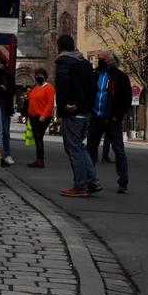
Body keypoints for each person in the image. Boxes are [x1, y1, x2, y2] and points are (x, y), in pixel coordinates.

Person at [54, 34, 100, 197]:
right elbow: (94, 86)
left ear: (59, 46)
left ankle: (80, 185)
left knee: (73, 148)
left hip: (73, 112)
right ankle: (92, 180)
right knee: (79, 147)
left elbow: (62, 84)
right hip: (86, 111)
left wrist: (64, 105)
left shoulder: (64, 62)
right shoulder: (85, 63)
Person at [87, 50, 132, 193]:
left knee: (118, 150)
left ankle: (123, 181)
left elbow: (126, 99)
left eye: (101, 58)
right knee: (90, 149)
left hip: (111, 119)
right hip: (96, 117)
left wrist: (116, 116)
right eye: (98, 58)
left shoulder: (120, 77)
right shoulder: (95, 75)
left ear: (110, 60)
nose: (98, 60)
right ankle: (90, 180)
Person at [25, 69, 55, 168]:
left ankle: (40, 160)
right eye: (37, 74)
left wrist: (44, 115)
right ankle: (39, 159)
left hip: (42, 117)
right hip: (33, 116)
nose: (39, 76)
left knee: (38, 138)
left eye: (41, 75)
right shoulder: (35, 87)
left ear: (45, 76)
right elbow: (31, 99)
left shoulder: (49, 87)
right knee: (38, 138)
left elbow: (50, 103)